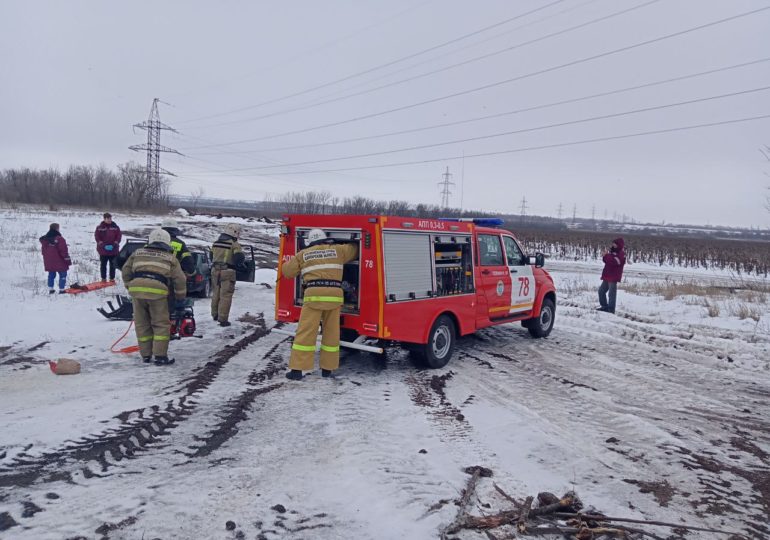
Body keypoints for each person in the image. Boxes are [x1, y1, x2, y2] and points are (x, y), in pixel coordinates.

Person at [280, 228, 358, 380]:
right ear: (325, 239)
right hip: (334, 297)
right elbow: (355, 249)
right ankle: (327, 369)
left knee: (306, 333)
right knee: (332, 333)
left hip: (314, 296)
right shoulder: (338, 250)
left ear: (310, 241)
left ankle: (297, 370)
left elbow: (287, 272)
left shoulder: (303, 254)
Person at [122, 228, 186, 365]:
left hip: (137, 291)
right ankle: (160, 356)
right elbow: (180, 279)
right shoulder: (170, 258)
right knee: (161, 324)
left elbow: (125, 271)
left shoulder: (137, 253)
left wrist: (129, 286)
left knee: (142, 324)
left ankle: (145, 355)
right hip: (158, 292)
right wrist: (180, 297)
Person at [210, 223, 245, 327]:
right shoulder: (234, 244)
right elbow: (239, 259)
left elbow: (211, 255)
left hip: (215, 271)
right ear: (235, 233)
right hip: (228, 272)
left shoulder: (215, 243)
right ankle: (223, 319)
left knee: (216, 294)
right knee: (226, 296)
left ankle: (215, 315)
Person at [40, 223, 71, 294]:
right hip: (60, 261)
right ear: (57, 229)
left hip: (49, 261)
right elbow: (64, 251)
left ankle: (51, 289)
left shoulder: (45, 239)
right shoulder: (60, 239)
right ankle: (62, 289)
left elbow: (43, 252)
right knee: (63, 274)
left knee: (51, 274)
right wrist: (67, 260)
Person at [598, 237, 626, 314]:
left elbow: (615, 262)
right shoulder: (612, 252)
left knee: (611, 294)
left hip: (613, 276)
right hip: (607, 275)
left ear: (619, 245)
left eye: (615, 243)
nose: (613, 244)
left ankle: (611, 309)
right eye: (613, 243)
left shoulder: (621, 253)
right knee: (601, 291)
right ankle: (604, 306)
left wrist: (606, 256)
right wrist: (604, 256)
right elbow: (607, 261)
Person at [95, 212, 122, 282]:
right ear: (104, 219)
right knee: (103, 265)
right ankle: (103, 278)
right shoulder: (99, 227)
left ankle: (112, 278)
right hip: (103, 251)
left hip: (113, 250)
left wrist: (115, 243)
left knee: (113, 265)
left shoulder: (115, 227)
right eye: (108, 219)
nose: (109, 220)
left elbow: (119, 236)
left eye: (110, 218)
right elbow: (97, 237)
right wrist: (103, 245)